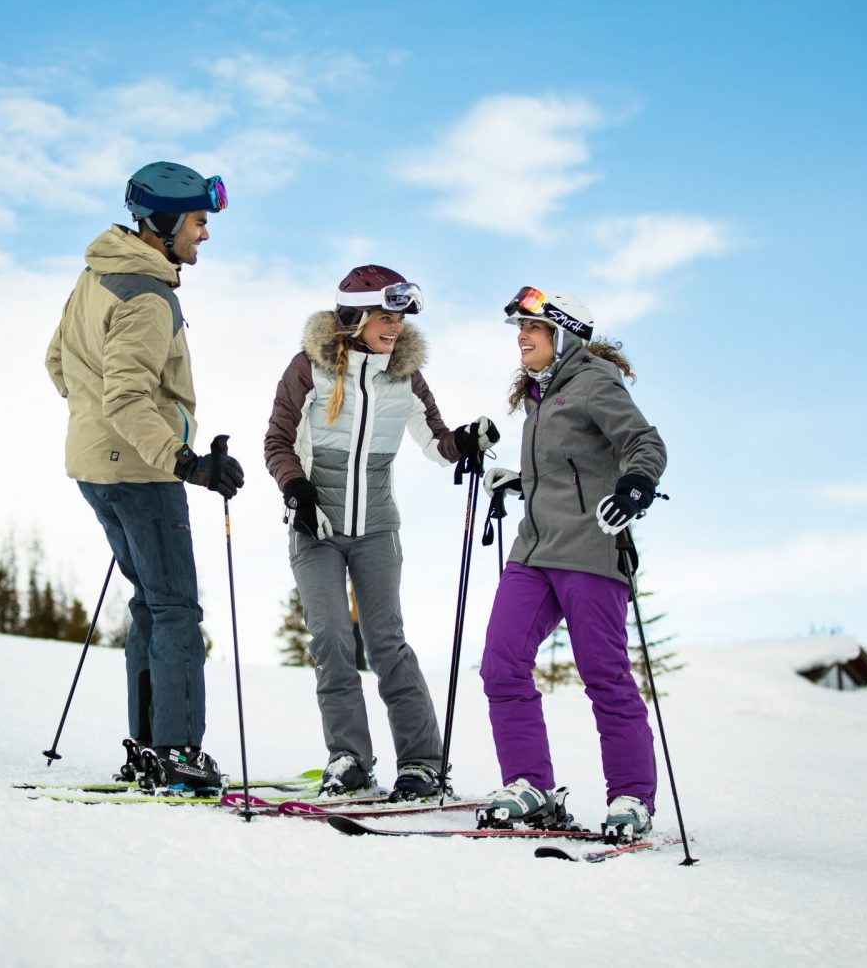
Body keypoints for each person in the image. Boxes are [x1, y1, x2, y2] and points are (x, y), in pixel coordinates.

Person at [44, 161, 245, 792]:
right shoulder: (148, 298)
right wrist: (188, 463)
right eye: (197, 221)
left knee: (151, 605)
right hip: (141, 472)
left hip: (97, 467)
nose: (203, 234)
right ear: (161, 223)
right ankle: (178, 754)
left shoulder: (97, 274)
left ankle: (149, 749)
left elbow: (58, 362)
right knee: (177, 609)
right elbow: (127, 398)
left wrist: (96, 426)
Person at [264, 264, 498, 800]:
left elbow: (438, 443)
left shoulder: (404, 373)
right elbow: (277, 439)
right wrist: (296, 490)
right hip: (314, 526)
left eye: (400, 317)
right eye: (386, 316)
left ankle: (421, 763)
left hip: (375, 528)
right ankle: (349, 759)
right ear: (356, 315)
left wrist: (466, 439)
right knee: (331, 640)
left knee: (386, 642)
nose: (395, 327)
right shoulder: (308, 367)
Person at [476, 286, 667, 842]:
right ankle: (530, 787)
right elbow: (568, 467)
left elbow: (644, 443)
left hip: (590, 550)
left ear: (561, 335)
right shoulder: (542, 395)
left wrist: (635, 486)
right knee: (500, 663)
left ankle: (631, 797)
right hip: (534, 551)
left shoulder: (593, 382)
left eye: (531, 329)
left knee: (604, 675)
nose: (521, 337)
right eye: (519, 329)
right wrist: (521, 481)